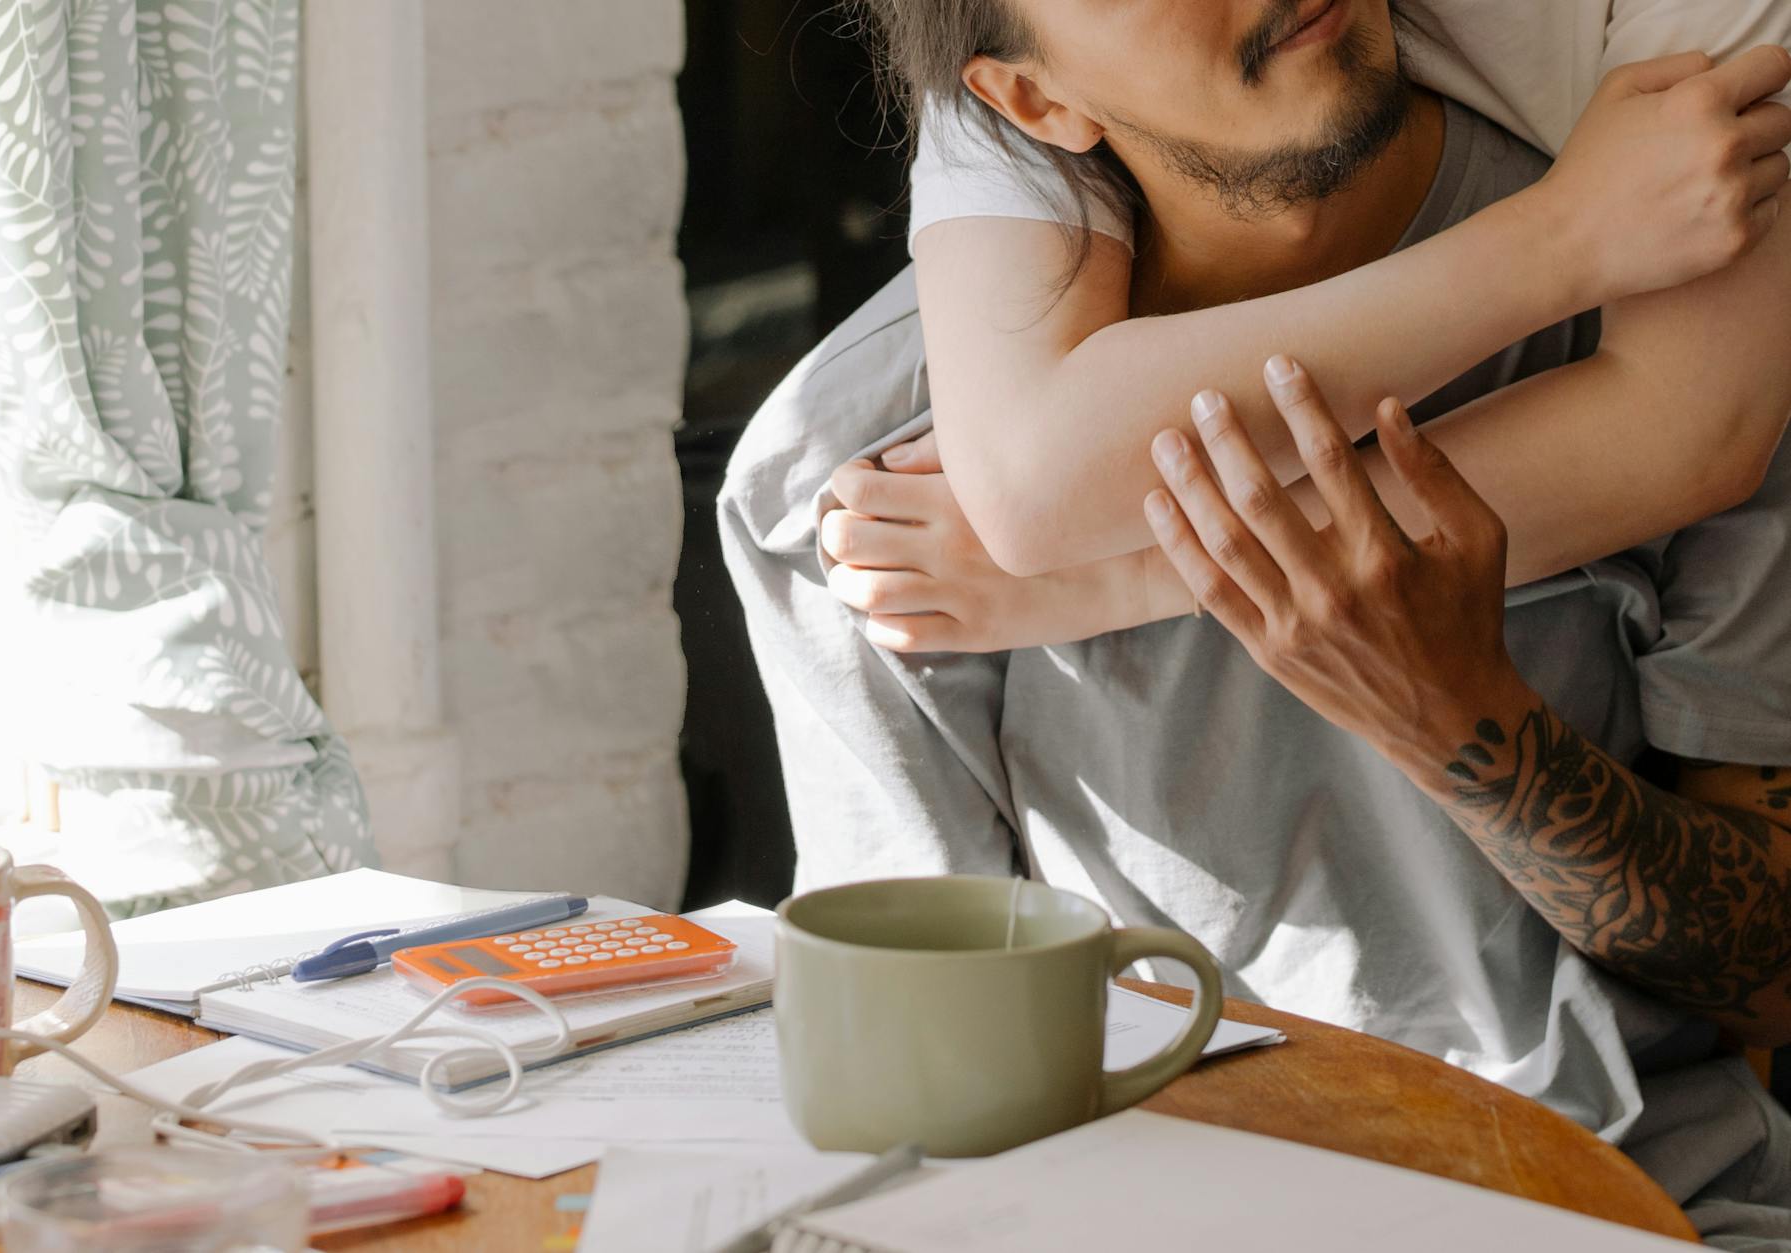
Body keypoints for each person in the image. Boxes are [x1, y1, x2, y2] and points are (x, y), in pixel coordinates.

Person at [717, 0, 1791, 1246]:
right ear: (1030, 102)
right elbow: (920, 1079)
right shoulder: (866, 481)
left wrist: (1462, 723)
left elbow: (1767, 978)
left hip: (1624, 1198)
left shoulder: (1690, 265)